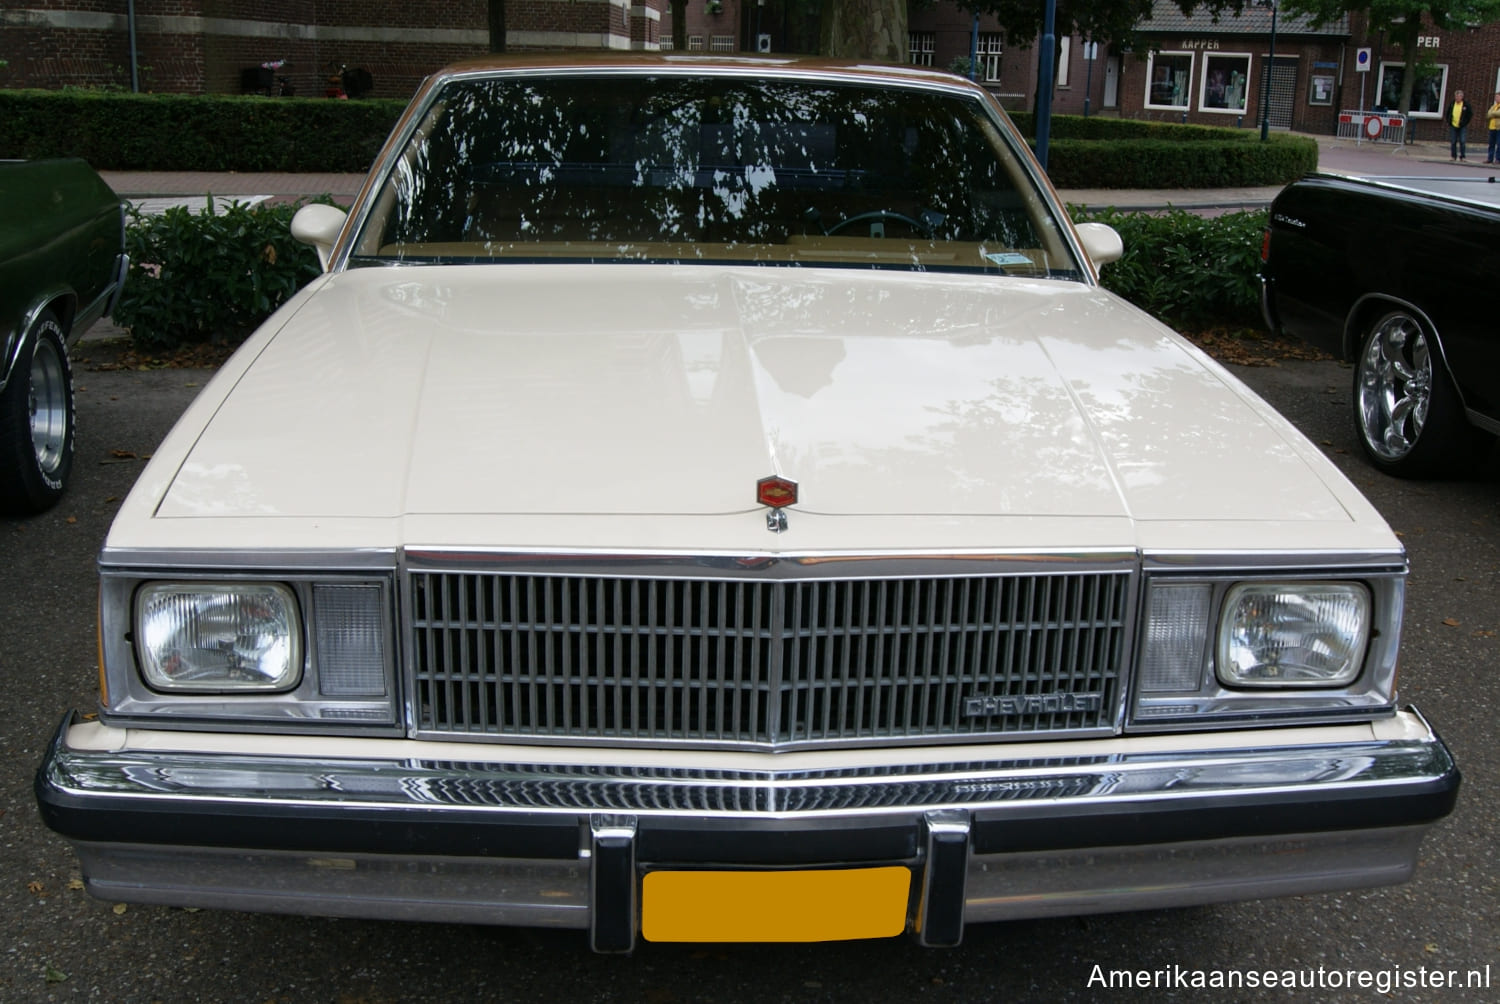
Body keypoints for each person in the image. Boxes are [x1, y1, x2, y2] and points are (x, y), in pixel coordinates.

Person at [1446, 89, 1472, 161]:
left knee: (1462, 141)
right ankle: (1453, 156)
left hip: (1462, 126)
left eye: (1459, 96)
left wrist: (1465, 122)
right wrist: (1449, 121)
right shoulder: (1452, 104)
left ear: (1462, 97)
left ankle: (1462, 156)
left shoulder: (1465, 105)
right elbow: (1448, 113)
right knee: (1453, 141)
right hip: (1453, 125)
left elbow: (1470, 114)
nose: (1457, 98)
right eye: (1456, 96)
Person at [1488, 91, 1500, 164]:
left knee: (1499, 144)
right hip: (1492, 127)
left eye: (1497, 97)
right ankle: (1490, 158)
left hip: (1499, 128)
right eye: (1495, 97)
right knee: (1491, 144)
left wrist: (1493, 113)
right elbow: (1488, 114)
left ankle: (1498, 159)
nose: (1496, 98)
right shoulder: (1494, 106)